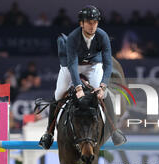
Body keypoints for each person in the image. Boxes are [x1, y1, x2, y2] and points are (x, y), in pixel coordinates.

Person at [39, 5, 126, 150]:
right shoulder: (74, 37)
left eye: (95, 22)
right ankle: (49, 132)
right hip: (70, 66)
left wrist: (103, 86)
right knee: (59, 93)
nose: (92, 26)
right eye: (89, 22)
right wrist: (78, 87)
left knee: (104, 96)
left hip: (93, 66)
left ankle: (114, 130)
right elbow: (72, 65)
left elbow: (108, 63)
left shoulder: (102, 36)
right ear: (82, 23)